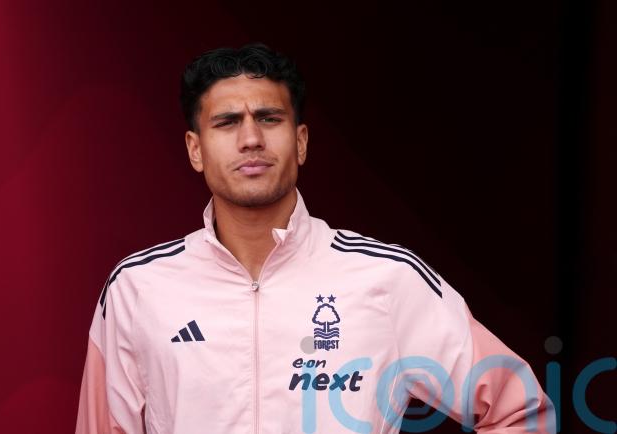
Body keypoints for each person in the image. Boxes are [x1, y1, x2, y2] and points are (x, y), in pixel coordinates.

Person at [75, 43, 555, 433]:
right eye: (227, 122)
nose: (251, 139)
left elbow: (519, 410)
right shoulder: (137, 289)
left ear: (301, 141)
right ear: (195, 149)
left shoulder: (386, 277)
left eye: (269, 118)